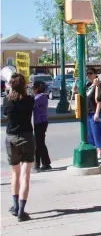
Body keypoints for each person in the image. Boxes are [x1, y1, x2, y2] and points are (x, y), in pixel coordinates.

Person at [3, 73, 35, 222]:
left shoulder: (7, 101)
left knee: (15, 173)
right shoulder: (29, 100)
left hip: (11, 138)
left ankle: (15, 206)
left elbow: (5, 115)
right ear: (24, 86)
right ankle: (22, 211)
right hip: (27, 137)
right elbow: (29, 100)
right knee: (25, 174)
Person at [85, 67, 101, 158]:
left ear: (95, 74)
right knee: (91, 134)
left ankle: (100, 151)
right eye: (87, 73)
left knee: (97, 133)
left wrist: (97, 113)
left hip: (95, 112)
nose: (88, 75)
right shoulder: (88, 85)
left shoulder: (98, 85)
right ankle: (95, 150)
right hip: (88, 112)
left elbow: (99, 100)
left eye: (90, 73)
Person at [32, 80, 51, 172]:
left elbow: (31, 103)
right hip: (40, 122)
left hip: (40, 122)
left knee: (39, 143)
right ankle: (39, 163)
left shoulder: (39, 97)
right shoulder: (42, 96)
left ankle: (45, 163)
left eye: (33, 88)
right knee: (38, 143)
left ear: (36, 89)